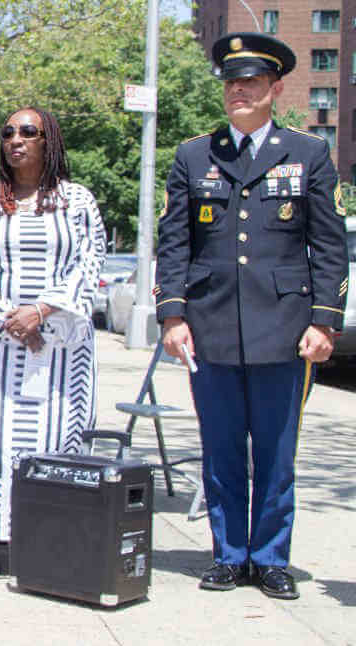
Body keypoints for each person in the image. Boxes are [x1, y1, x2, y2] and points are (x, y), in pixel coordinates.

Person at [156, 33, 347, 600]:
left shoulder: (308, 153)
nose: (239, 91)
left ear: (275, 89)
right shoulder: (194, 155)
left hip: (284, 330)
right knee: (220, 451)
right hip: (210, 326)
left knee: (275, 453)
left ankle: (270, 559)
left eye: (252, 82)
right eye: (232, 83)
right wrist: (172, 316)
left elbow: (329, 245)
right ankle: (227, 555)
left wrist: (324, 321)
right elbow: (175, 243)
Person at [0, 107, 106, 578]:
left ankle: (46, 537)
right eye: (8, 133)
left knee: (54, 439)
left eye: (27, 132)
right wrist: (9, 316)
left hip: (59, 348)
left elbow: (90, 263)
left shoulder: (77, 201)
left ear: (48, 140)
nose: (15, 139)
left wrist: (41, 310)